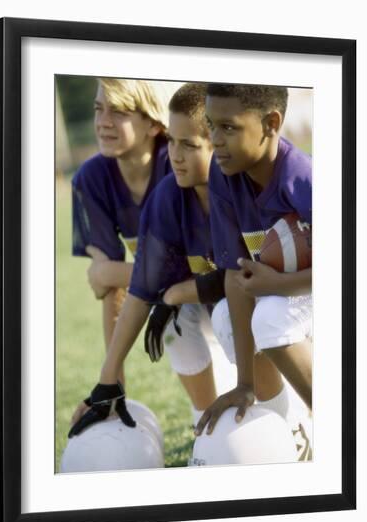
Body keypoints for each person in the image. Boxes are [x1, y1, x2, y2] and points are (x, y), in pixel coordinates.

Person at [69, 83, 289, 438]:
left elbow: (241, 276)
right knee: (173, 321)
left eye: (188, 144)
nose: (175, 155)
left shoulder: (242, 183)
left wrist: (172, 293)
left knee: (232, 315)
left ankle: (287, 423)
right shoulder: (168, 196)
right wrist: (108, 382)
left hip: (282, 299)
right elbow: (140, 289)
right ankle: (206, 424)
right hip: (214, 299)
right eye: (173, 141)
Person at [195, 83, 312, 449]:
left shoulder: (303, 179)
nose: (215, 139)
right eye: (211, 125)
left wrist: (278, 285)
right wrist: (244, 383)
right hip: (291, 291)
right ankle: (292, 433)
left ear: (270, 122)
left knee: (268, 318)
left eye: (228, 127)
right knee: (226, 320)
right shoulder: (223, 174)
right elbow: (234, 275)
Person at [72, 78, 178, 385]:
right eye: (98, 108)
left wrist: (111, 273)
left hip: (222, 291)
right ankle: (205, 416)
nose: (103, 122)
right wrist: (112, 382)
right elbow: (110, 289)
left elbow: (195, 270)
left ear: (154, 124)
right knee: (170, 315)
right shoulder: (92, 178)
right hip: (175, 297)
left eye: (118, 111)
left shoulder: (179, 163)